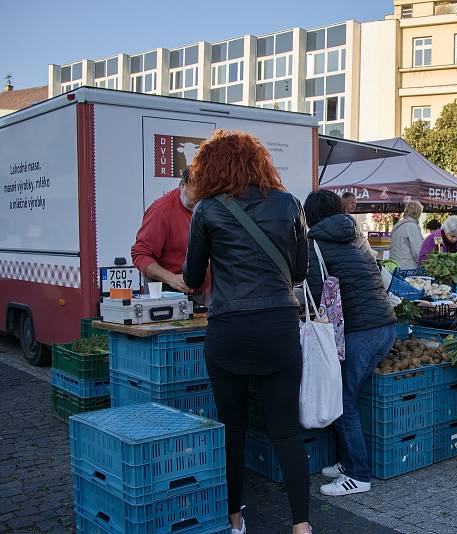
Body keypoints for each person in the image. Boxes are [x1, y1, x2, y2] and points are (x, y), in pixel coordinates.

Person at [182, 131, 311, 534]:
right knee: (286, 431)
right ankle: (302, 525)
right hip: (278, 326)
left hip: (229, 329)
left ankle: (235, 518)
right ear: (261, 162)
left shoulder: (206, 210)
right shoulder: (289, 203)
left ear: (211, 167)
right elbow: (301, 272)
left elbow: (191, 275)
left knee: (232, 429)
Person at [303, 190, 397, 496]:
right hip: (384, 326)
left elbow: (316, 296)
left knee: (343, 400)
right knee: (347, 395)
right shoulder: (356, 235)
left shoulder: (314, 244)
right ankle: (347, 462)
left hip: (359, 332)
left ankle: (358, 474)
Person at [131, 168, 209, 300]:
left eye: (203, 196)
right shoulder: (161, 211)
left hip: (200, 293)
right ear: (182, 185)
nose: (198, 201)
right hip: (168, 296)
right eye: (195, 195)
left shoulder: (206, 206)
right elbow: (141, 254)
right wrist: (172, 278)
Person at [390, 201, 425, 270]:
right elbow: (418, 252)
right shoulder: (412, 226)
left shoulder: (399, 226)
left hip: (395, 267)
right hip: (408, 269)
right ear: (418, 213)